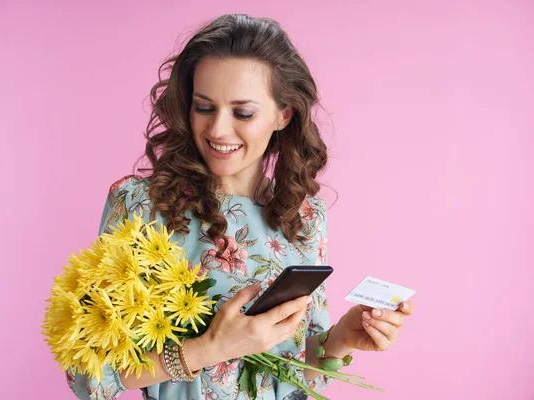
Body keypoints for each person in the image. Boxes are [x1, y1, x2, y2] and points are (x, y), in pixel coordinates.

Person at [65, 13, 415, 400]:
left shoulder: (306, 218)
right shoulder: (141, 205)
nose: (217, 130)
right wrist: (211, 348)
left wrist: (339, 341)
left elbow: (294, 376)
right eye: (204, 107)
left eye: (243, 112)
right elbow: (87, 376)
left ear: (284, 115)